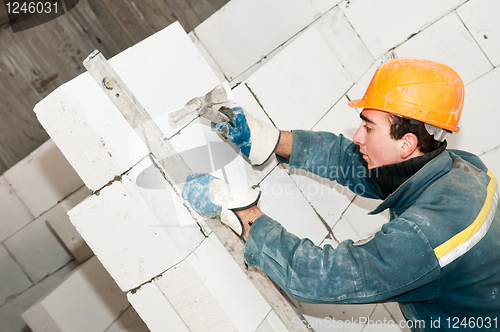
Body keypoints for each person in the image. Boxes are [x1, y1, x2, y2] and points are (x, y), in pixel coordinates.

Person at [182, 58, 500, 331]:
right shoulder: (461, 169)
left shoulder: (425, 239)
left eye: (369, 127)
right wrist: (271, 140)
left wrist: (242, 214)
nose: (357, 137)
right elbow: (356, 164)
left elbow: (325, 277)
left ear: (407, 144)